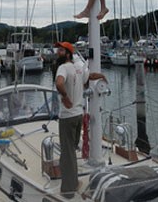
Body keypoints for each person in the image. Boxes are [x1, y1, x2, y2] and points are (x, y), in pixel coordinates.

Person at [54, 41, 107, 198]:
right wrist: (102, 75)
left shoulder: (63, 68)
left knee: (67, 153)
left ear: (68, 53)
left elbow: (59, 83)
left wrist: (64, 96)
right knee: (71, 150)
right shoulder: (78, 68)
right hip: (78, 115)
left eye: (61, 50)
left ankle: (69, 189)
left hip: (68, 116)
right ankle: (74, 180)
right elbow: (89, 76)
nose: (58, 52)